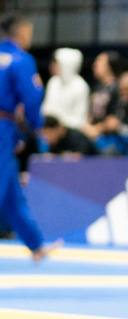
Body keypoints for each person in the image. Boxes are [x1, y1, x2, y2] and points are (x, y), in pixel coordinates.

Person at [0, 13, 60, 262]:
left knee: (11, 192)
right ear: (21, 31)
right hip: (2, 126)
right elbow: (32, 96)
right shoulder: (21, 59)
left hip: (6, 127)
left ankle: (35, 245)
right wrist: (35, 126)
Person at [42, 48, 90, 132]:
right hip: (49, 126)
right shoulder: (53, 82)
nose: (52, 66)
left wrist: (60, 123)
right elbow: (46, 108)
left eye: (56, 63)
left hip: (70, 130)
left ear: (66, 65)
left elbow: (80, 118)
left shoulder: (81, 86)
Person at [87, 51, 119, 136]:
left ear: (109, 66)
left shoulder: (118, 88)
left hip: (110, 136)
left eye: (99, 61)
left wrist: (96, 129)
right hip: (93, 132)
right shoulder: (96, 88)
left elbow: (115, 120)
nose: (94, 65)